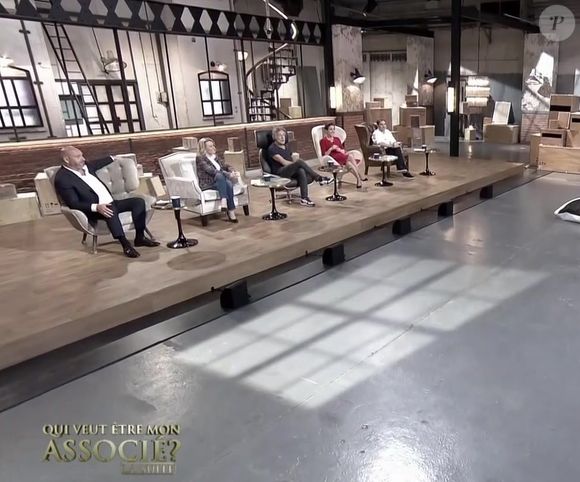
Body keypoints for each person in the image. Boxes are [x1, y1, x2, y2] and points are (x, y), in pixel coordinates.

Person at [53, 146, 159, 258]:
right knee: (110, 210)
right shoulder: (63, 178)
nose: (83, 159)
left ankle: (140, 238)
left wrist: (114, 158)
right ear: (67, 159)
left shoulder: (86, 166)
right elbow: (73, 203)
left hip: (111, 202)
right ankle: (126, 245)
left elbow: (99, 162)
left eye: (82, 155)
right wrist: (96, 207)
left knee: (138, 202)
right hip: (94, 210)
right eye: (78, 156)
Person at [267, 126, 332, 207]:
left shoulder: (286, 146)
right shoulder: (272, 148)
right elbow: (284, 162)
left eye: (284, 135)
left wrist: (296, 161)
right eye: (280, 135)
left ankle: (304, 198)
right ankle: (319, 178)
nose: (282, 137)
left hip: (289, 171)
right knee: (299, 162)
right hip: (280, 173)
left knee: (301, 170)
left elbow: (293, 160)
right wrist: (296, 163)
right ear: (275, 137)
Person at [197, 138, 240, 223]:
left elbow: (226, 165)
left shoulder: (215, 157)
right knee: (219, 175)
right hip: (208, 183)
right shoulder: (200, 158)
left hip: (220, 182)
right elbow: (211, 171)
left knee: (228, 183)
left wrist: (232, 171)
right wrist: (228, 175)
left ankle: (229, 209)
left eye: (213, 145)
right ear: (204, 148)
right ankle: (226, 203)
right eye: (210, 146)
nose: (213, 147)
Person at [319, 122, 367, 188]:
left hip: (341, 156)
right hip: (333, 159)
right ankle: (361, 175)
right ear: (327, 131)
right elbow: (324, 154)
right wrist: (331, 149)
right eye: (330, 129)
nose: (332, 131)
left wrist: (340, 150)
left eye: (333, 129)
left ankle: (358, 180)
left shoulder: (337, 139)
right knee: (350, 157)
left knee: (349, 164)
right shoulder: (323, 141)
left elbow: (343, 150)